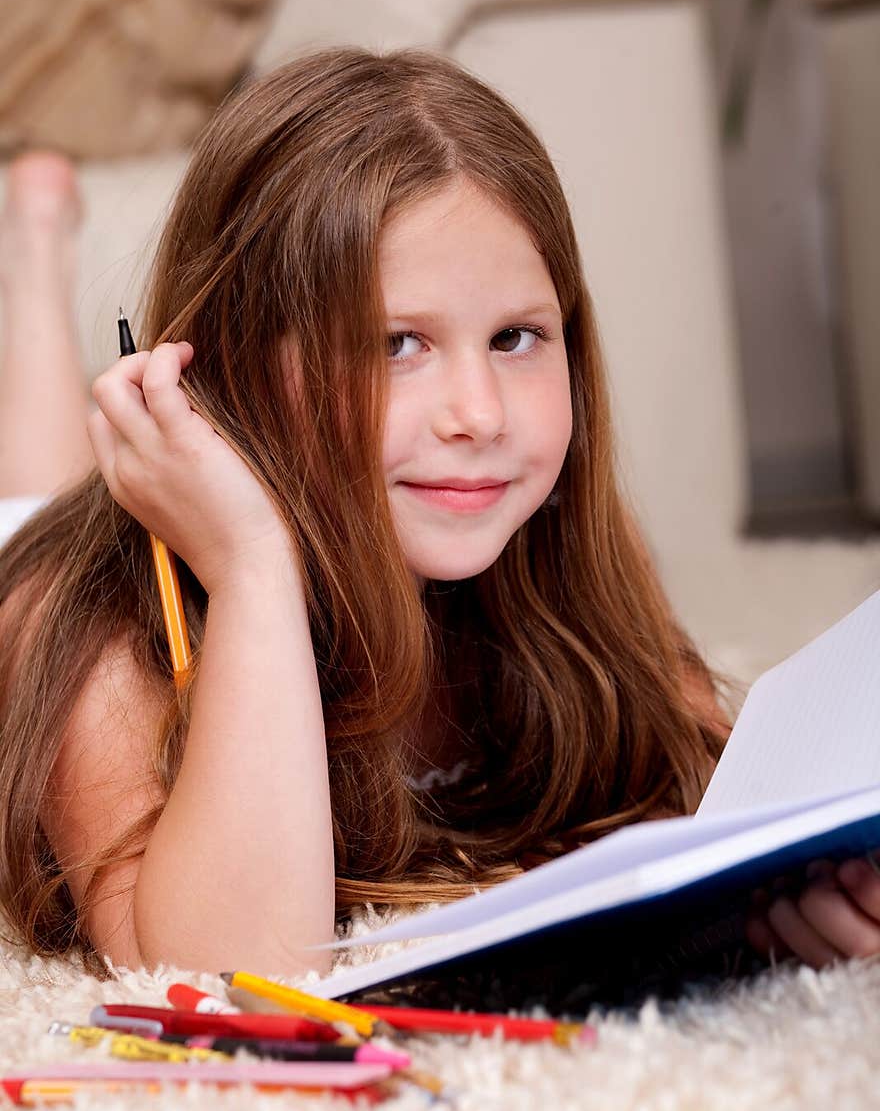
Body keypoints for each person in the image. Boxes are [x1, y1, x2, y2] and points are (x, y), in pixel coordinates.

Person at [0, 48, 877, 983]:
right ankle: (34, 248)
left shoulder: (557, 549)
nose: (481, 415)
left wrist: (806, 895)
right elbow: (224, 975)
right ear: (228, 367)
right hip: (31, 546)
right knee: (38, 483)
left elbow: (715, 808)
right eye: (396, 344)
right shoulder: (89, 633)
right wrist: (253, 567)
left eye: (515, 338)